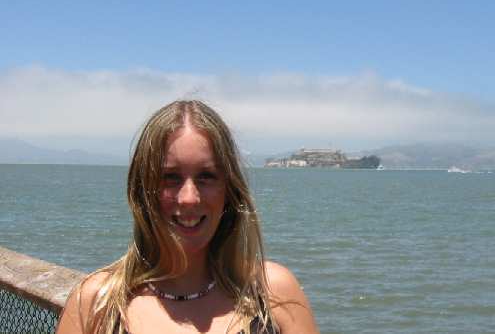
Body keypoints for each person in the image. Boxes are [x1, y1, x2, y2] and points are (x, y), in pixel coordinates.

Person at [57, 100, 319, 334]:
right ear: (142, 190)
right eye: (170, 177)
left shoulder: (274, 294)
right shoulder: (96, 305)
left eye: (206, 176)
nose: (189, 198)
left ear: (229, 190)